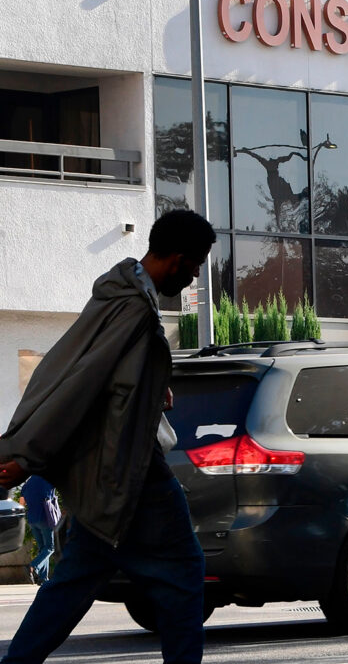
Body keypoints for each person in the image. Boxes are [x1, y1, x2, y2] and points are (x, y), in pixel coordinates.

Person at [0, 209, 216, 664]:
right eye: (196, 263)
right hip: (131, 469)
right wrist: (26, 455)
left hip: (109, 472)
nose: (196, 273)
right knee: (184, 573)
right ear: (177, 258)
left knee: (76, 581)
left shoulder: (120, 293)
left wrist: (154, 390)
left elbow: (89, 377)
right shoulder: (134, 311)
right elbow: (78, 385)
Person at [19, 476, 57, 585]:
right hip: (45, 518)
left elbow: (21, 503)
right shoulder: (48, 480)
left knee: (42, 549)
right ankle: (33, 566)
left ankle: (43, 578)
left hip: (32, 520)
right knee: (50, 547)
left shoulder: (27, 484)